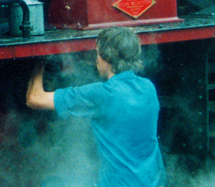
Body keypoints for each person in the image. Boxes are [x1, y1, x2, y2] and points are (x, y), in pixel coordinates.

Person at [26, 27, 165, 187]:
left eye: (98, 54)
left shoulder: (102, 94)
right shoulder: (149, 88)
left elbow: (34, 98)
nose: (96, 60)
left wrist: (39, 62)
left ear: (108, 57)